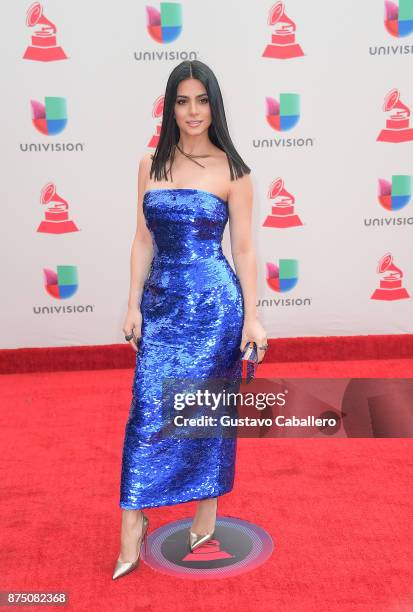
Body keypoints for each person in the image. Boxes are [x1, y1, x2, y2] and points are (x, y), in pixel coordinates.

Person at [113, 59, 268, 580]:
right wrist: (132, 303)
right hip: (160, 305)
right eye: (183, 101)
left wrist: (253, 318)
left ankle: (206, 514)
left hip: (214, 307)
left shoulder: (235, 170)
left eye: (202, 100)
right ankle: (132, 523)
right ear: (170, 107)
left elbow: (244, 251)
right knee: (148, 413)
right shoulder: (150, 165)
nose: (193, 111)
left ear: (215, 105)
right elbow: (141, 240)